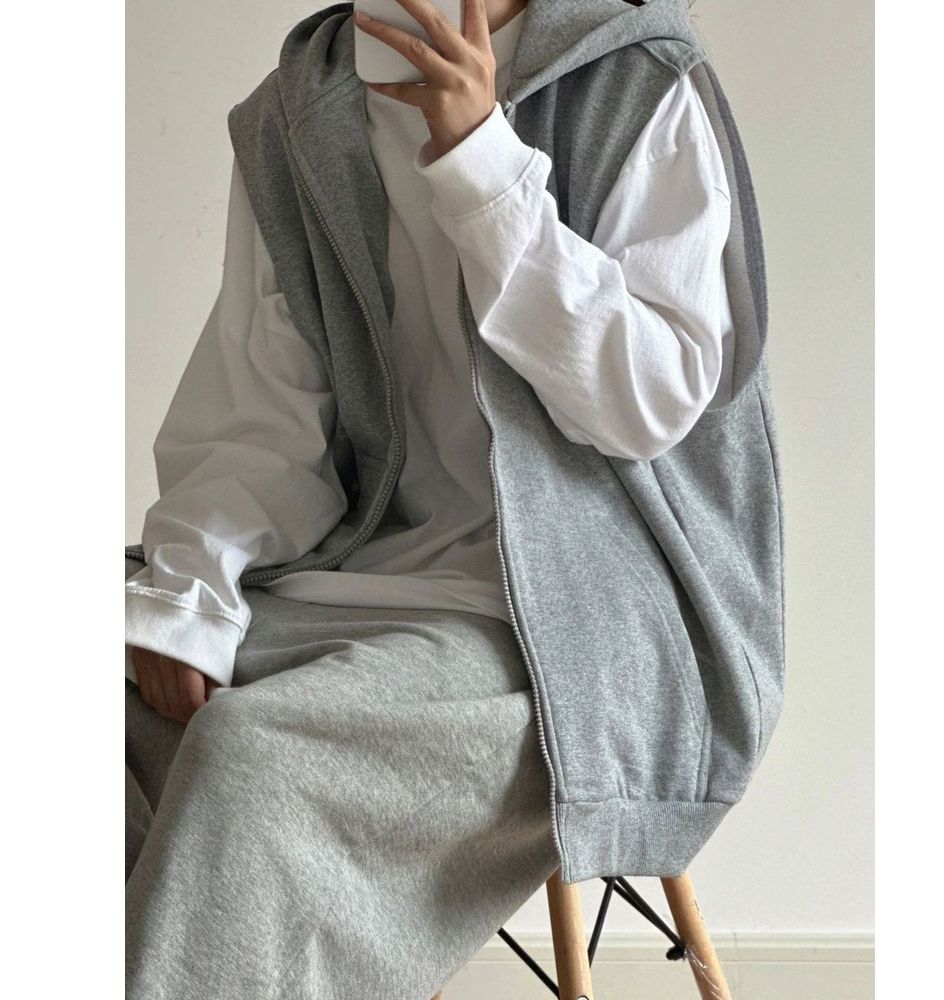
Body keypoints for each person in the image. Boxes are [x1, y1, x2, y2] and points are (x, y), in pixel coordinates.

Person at [125, 1, 753, 996]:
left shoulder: (634, 82)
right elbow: (269, 414)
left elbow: (650, 400)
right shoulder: (303, 110)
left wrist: (483, 167)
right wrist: (187, 590)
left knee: (253, 758)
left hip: (577, 616)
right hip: (361, 567)